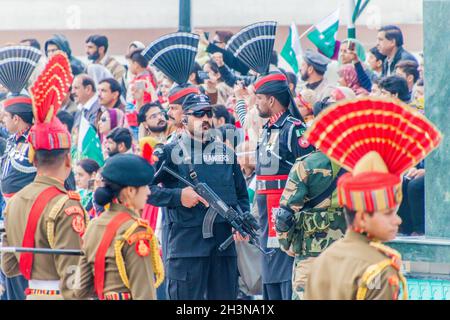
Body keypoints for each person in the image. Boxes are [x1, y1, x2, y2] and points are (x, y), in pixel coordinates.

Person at [303, 97, 442, 300]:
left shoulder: (323, 260)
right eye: (387, 213)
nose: (398, 220)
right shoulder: (380, 269)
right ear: (361, 217)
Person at [1, 52, 87, 300]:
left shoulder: (14, 204)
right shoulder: (66, 205)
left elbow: (9, 264)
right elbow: (72, 272)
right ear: (68, 159)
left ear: (33, 158)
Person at [148, 94, 250, 300]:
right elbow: (145, 190)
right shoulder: (169, 152)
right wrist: (178, 196)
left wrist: (242, 221)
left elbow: (241, 195)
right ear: (184, 119)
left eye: (208, 113)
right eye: (197, 114)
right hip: (188, 247)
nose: (204, 118)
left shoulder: (225, 153)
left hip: (223, 246)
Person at [75, 154, 164, 300]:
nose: (148, 192)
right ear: (130, 191)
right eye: (145, 186)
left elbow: (80, 289)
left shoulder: (94, 225)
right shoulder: (136, 230)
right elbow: (144, 293)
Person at [276, 150, 347, 300]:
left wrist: (285, 242)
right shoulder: (361, 165)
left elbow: (285, 214)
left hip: (311, 253)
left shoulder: (306, 163)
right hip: (349, 253)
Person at [0, 45, 41, 301]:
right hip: (10, 214)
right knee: (10, 274)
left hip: (28, 217)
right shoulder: (14, 140)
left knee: (22, 278)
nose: (2, 120)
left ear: (17, 119)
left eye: (5, 116)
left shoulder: (36, 143)